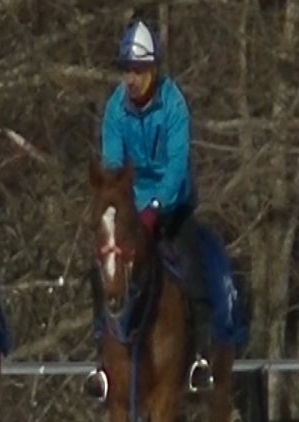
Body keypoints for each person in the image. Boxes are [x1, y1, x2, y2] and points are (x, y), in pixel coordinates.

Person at [84, 19, 214, 402]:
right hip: (130, 212)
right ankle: (101, 360)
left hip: (170, 209)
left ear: (154, 70)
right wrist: (127, 209)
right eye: (126, 70)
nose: (131, 78)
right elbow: (112, 165)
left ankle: (200, 357)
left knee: (192, 269)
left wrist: (155, 207)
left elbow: (176, 167)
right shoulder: (114, 110)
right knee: (103, 271)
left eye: (138, 70)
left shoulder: (173, 104)